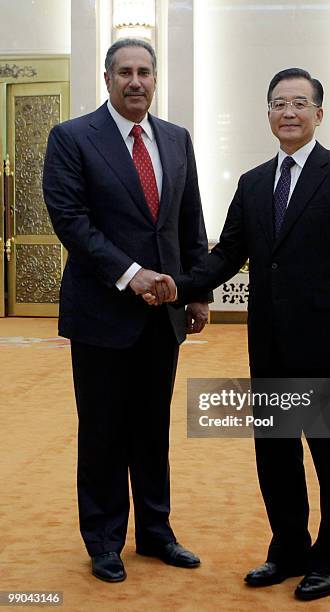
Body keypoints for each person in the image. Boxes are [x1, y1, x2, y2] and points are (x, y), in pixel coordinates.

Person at [148, 68, 330, 601]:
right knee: (274, 452)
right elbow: (228, 253)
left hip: (324, 341)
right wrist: (177, 286)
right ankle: (289, 549)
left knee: (329, 454)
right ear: (268, 113)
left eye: (300, 103)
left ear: (319, 114)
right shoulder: (253, 183)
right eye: (279, 103)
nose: (289, 112)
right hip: (269, 341)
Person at [42, 38, 210, 583]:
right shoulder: (72, 138)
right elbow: (71, 221)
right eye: (124, 73)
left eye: (144, 72)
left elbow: (189, 222)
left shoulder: (177, 139)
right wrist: (129, 273)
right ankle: (105, 540)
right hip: (101, 314)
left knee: (151, 428)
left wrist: (198, 290)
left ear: (155, 79)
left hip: (163, 316)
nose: (135, 81)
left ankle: (156, 534)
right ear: (108, 79)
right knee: (103, 431)